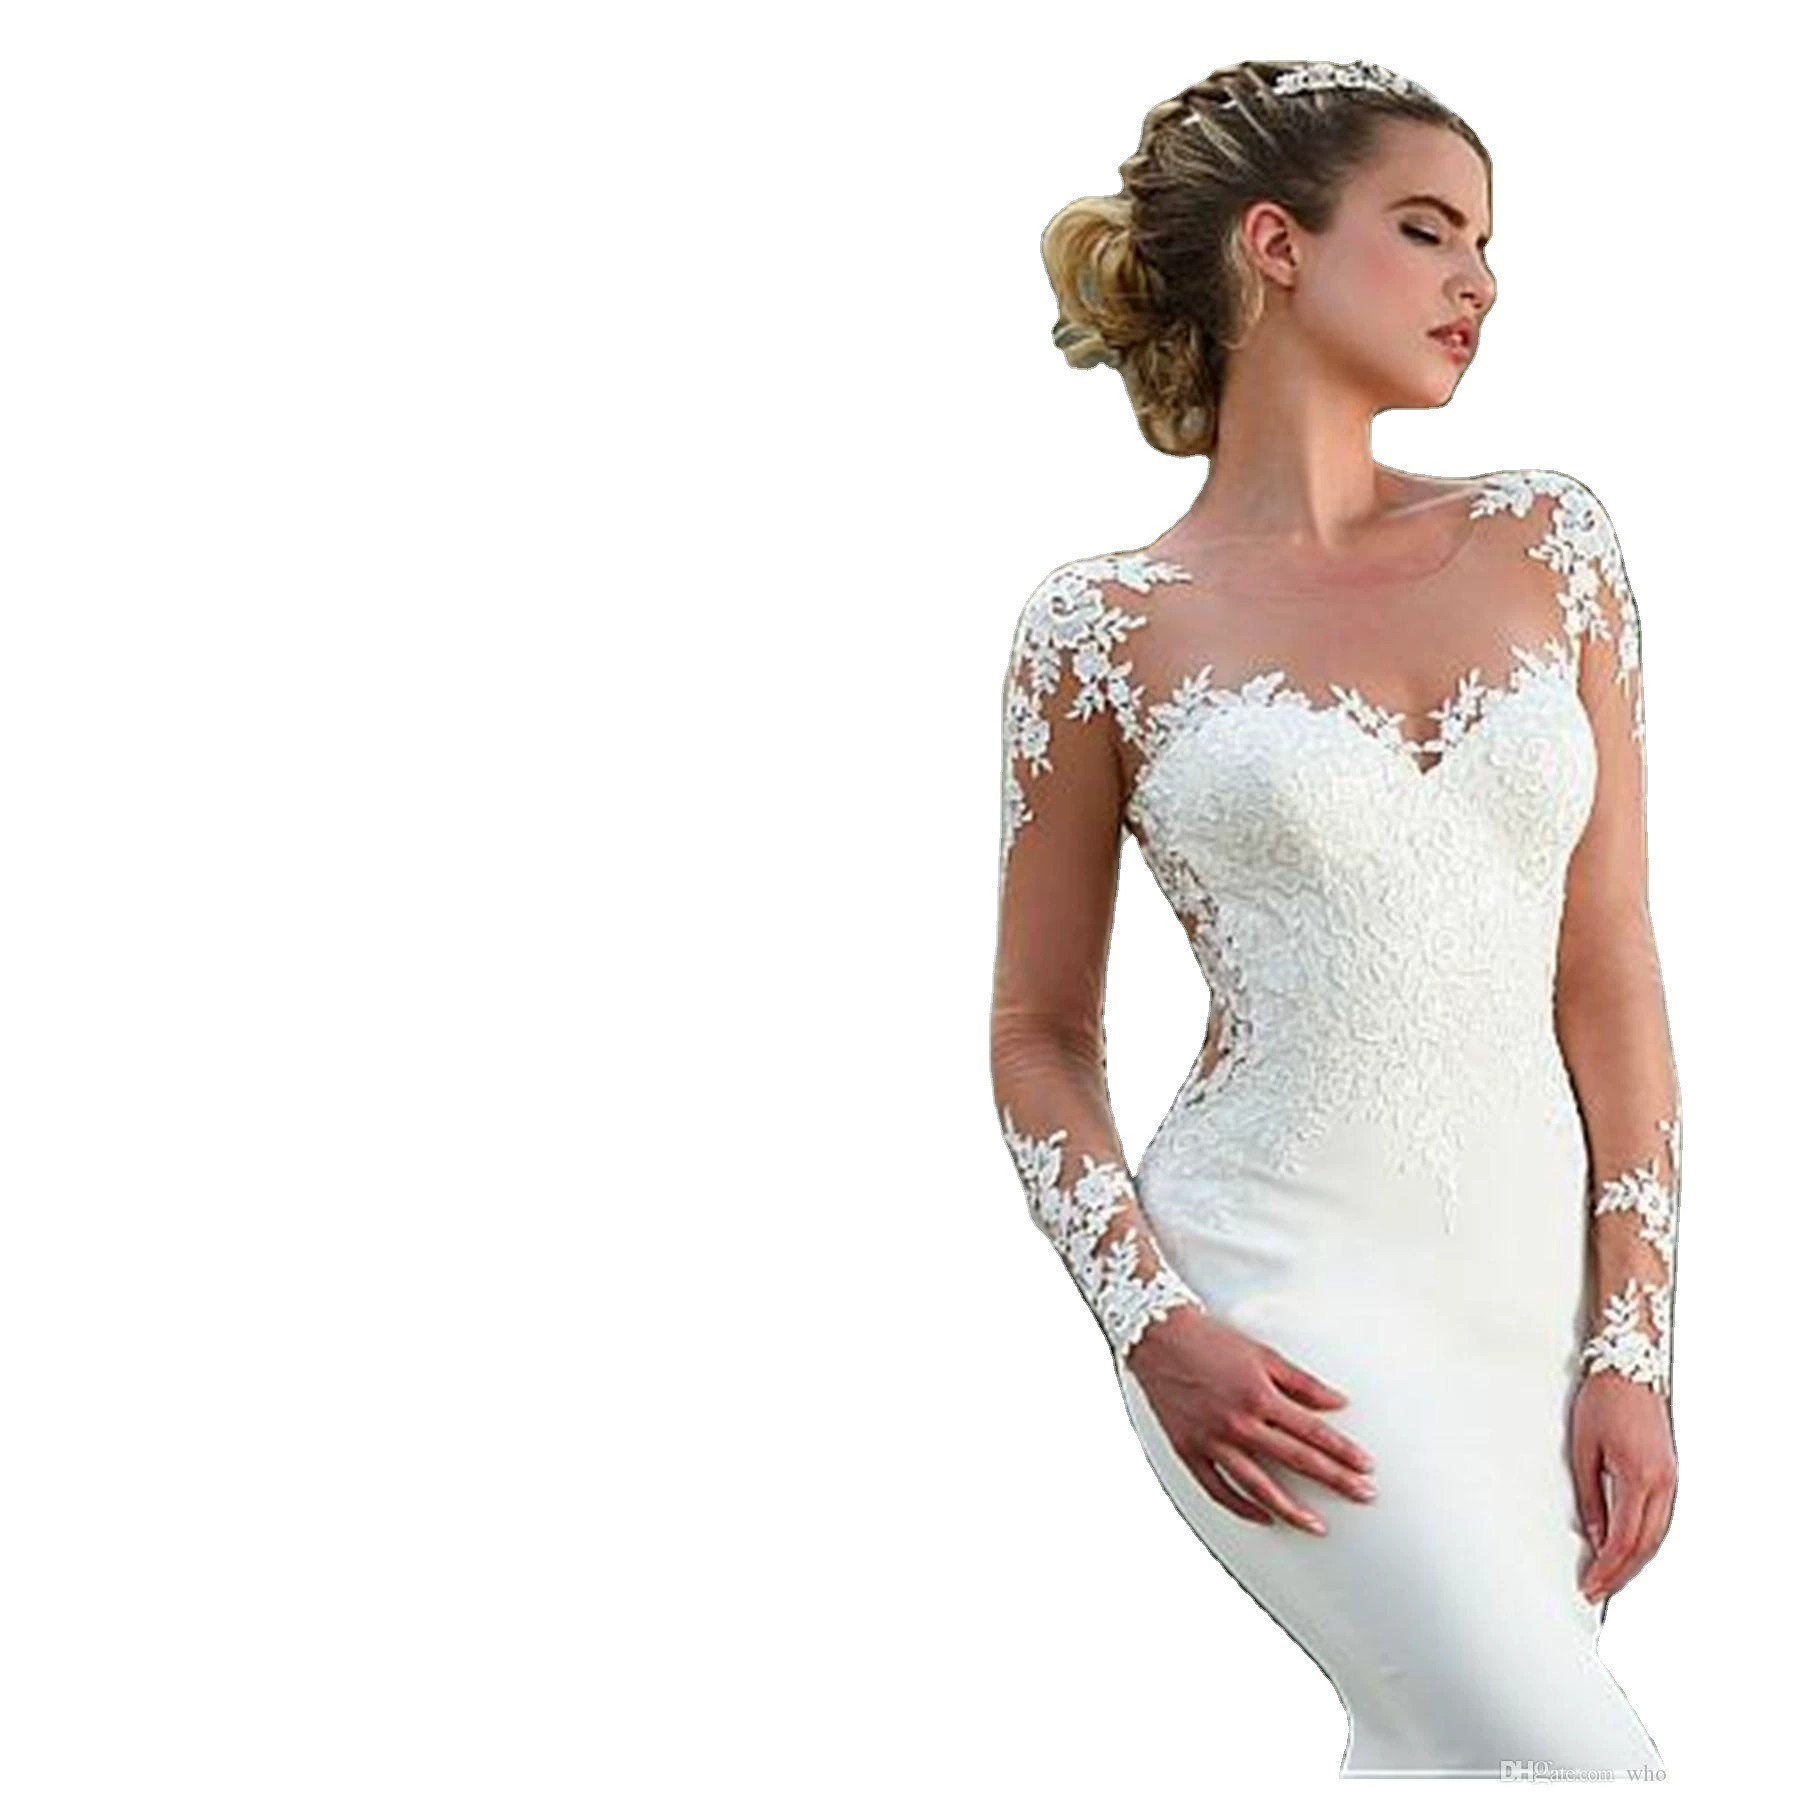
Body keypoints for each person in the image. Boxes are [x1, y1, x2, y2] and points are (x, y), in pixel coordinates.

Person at [989, 59, 1680, 1778]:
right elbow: (1038, 1032)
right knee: (1571, 1764)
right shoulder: (1097, 629)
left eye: (1487, 244)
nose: (1478, 280)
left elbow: (1608, 974)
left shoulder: (1554, 544)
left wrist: (1636, 1341)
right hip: (1271, 1287)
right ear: (1276, 244)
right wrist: (1152, 1321)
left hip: (1525, 1301)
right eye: (1427, 229)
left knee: (1452, 1761)